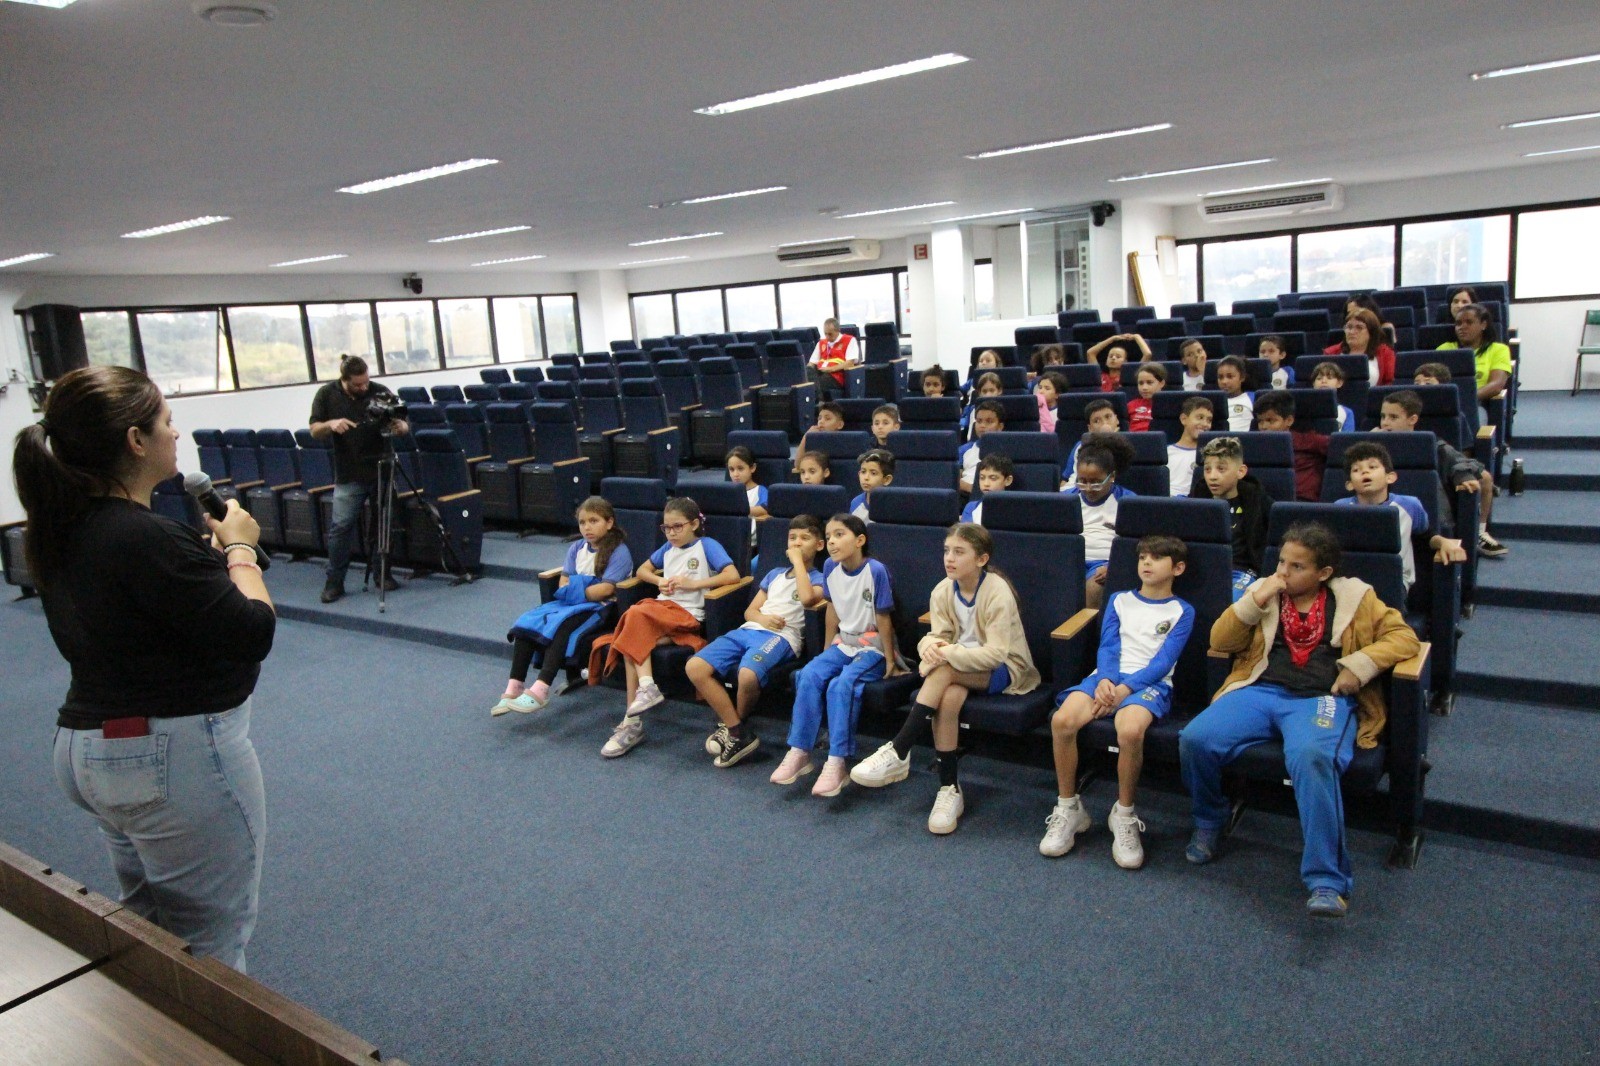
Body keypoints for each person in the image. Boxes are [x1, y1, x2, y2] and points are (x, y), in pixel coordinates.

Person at [18, 366, 276, 971]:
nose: (175, 432)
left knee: (149, 931)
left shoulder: (65, 527)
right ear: (136, 440)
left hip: (91, 750)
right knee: (211, 949)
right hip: (167, 757)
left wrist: (205, 564)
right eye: (166, 421)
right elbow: (253, 631)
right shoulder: (146, 537)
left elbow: (148, 610)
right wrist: (240, 550)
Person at [1180, 522, 1421, 918]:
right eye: (1281, 562)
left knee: (1313, 757)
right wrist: (1254, 600)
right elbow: (1220, 641)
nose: (1284, 572)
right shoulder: (1266, 592)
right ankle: (1210, 819)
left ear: (1323, 572)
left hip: (1321, 698)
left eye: (1297, 567)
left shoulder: (1356, 597)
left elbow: (1405, 638)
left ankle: (1327, 880)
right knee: (1196, 738)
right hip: (1261, 690)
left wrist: (1360, 665)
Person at [851, 523, 1039, 834]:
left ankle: (899, 748)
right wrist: (929, 646)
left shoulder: (997, 591)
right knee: (948, 699)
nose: (949, 558)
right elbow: (937, 636)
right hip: (960, 666)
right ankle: (949, 787)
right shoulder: (942, 590)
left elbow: (995, 655)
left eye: (959, 552)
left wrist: (945, 653)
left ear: (981, 559)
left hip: (1006, 668)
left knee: (945, 671)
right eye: (947, 550)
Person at [1042, 534, 1195, 867]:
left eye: (1157, 558)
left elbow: (1163, 662)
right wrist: (1107, 680)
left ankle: (1124, 813)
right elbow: (1108, 645)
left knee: (1129, 730)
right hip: (1107, 677)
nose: (1147, 563)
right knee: (1062, 721)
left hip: (1149, 683)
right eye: (1143, 557)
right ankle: (1069, 807)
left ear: (1178, 568)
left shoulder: (1182, 610)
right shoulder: (1119, 599)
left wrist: (1125, 689)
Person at [590, 497, 740, 758]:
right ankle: (633, 720)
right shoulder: (667, 549)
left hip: (687, 615)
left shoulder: (706, 545)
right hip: (660, 614)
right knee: (630, 642)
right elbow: (642, 570)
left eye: (677, 527)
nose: (671, 533)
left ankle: (642, 699)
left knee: (634, 615)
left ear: (694, 524)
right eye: (666, 528)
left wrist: (694, 584)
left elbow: (733, 575)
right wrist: (658, 581)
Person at [773, 514, 903, 797]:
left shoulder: (876, 571)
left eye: (839, 535)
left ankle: (837, 761)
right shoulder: (830, 567)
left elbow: (883, 617)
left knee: (841, 684)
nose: (832, 541)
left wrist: (890, 660)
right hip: (844, 642)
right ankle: (800, 752)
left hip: (873, 646)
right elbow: (832, 609)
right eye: (829, 536)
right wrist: (825, 653)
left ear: (859, 540)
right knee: (809, 674)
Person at [689, 515, 825, 769]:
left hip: (782, 637)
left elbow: (808, 599)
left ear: (819, 545)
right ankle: (737, 730)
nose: (797, 543)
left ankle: (734, 728)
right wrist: (762, 618)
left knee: (748, 674)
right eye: (792, 538)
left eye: (804, 538)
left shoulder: (819, 577)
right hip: (750, 630)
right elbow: (750, 612)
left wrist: (798, 562)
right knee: (695, 667)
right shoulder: (774, 574)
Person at [496, 497, 631, 715]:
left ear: (609, 522)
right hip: (571, 604)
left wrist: (575, 588)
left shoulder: (619, 551)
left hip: (602, 608)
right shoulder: (576, 547)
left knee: (561, 626)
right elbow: (563, 582)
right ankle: (515, 686)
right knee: (527, 622)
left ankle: (541, 689)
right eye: (582, 522)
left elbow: (606, 590)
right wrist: (583, 587)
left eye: (593, 521)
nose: (587, 527)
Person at [308, 354, 410, 603]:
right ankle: (334, 582)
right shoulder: (326, 394)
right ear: (344, 380)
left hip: (382, 469)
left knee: (383, 524)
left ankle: (382, 575)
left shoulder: (380, 391)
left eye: (366, 382)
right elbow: (314, 430)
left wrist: (402, 428)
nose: (364, 387)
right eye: (357, 384)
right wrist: (331, 424)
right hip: (349, 473)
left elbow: (403, 422)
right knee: (341, 528)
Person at [1378, 391, 1503, 561]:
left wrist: (1463, 476)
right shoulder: (1372, 443)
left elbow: (1460, 461)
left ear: (1412, 419)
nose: (1385, 422)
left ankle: (1479, 533)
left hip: (1427, 521)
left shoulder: (1431, 444)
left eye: (1393, 417)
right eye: (1383, 416)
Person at [1336, 441, 1465, 593]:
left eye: (1372, 467)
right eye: (1356, 470)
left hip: (1394, 581)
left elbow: (1425, 537)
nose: (1365, 472)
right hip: (1349, 582)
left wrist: (1443, 542)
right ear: (1349, 484)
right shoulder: (1340, 508)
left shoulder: (1410, 505)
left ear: (1390, 477)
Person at [1190, 437, 1271, 601]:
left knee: (1230, 603)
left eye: (1221, 469)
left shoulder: (1257, 501)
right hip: (1202, 570)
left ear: (1241, 471)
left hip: (1240, 570)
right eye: (1207, 469)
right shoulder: (1196, 501)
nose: (1212, 476)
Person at [1064, 435, 1136, 610]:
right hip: (1069, 560)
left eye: (1096, 483)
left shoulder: (1127, 501)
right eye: (1082, 482)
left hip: (1103, 563)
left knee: (1094, 588)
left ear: (1111, 477)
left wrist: (1114, 566)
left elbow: (1135, 544)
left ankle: (1088, 629)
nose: (1088, 489)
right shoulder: (1065, 499)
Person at [1252, 390, 1328, 502]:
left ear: (1289, 420)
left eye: (1270, 420)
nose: (1264, 426)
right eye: (1260, 421)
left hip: (1301, 502)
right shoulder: (1256, 445)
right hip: (1265, 501)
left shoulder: (1310, 441)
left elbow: (1340, 448)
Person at [1436, 303, 1513, 410]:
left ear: (1483, 325)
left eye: (1469, 322)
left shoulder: (1498, 349)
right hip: (1445, 405)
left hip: (1477, 404)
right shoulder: (1444, 348)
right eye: (1458, 323)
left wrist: (1465, 399)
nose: (1462, 327)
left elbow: (1497, 385)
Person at [1323, 308, 1395, 386]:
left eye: (1359, 327)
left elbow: (1390, 383)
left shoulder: (1385, 353)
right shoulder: (1330, 353)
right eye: (1349, 327)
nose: (1352, 332)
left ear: (1371, 332)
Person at [1061, 398, 1121, 485]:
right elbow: (1065, 479)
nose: (1104, 423)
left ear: (1117, 419)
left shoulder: (1131, 444)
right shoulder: (1081, 445)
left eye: (1108, 417)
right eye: (1097, 421)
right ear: (1090, 428)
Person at [1168, 395, 1213, 496]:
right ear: (1184, 419)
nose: (1205, 424)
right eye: (1200, 417)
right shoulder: (1166, 452)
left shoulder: (1209, 455)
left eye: (1209, 420)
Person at [725, 445, 768, 548]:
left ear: (752, 468)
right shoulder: (726, 491)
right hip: (729, 538)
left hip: (750, 542)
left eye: (740, 469)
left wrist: (738, 509)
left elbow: (765, 509)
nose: (735, 474)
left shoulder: (760, 490)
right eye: (731, 469)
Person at [959, 401, 1004, 494]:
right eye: (979, 421)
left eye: (989, 421)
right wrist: (970, 488)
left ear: (1000, 426)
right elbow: (954, 477)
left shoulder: (1007, 449)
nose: (982, 426)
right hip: (965, 493)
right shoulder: (965, 449)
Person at [809, 318, 860, 398]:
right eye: (825, 334)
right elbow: (811, 363)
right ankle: (817, 397)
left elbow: (850, 363)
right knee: (808, 374)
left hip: (836, 376)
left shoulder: (849, 340)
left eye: (830, 334)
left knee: (819, 382)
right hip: (821, 372)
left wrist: (830, 369)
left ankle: (819, 399)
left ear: (837, 331)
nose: (827, 337)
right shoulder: (821, 343)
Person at [961, 454, 1014, 525]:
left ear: (1008, 480)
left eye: (993, 478)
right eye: (982, 478)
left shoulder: (1014, 509)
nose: (986, 484)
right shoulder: (971, 507)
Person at [1086, 333, 1151, 391]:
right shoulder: (1099, 376)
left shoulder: (1130, 377)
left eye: (1118, 356)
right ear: (1106, 362)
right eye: (1110, 356)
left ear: (1125, 361)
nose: (1113, 358)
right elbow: (1090, 353)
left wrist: (1136, 336)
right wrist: (1112, 338)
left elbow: (1147, 354)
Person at [1311, 362, 1357, 431]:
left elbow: (1347, 436)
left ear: (1339, 383)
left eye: (1329, 378)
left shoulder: (1347, 412)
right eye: (1319, 378)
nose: (1323, 381)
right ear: (1313, 384)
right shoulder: (1306, 410)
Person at [851, 448, 895, 520]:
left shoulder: (893, 506)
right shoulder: (855, 502)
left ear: (887, 479)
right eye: (863, 472)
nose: (866, 478)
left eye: (873, 473)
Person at [1215, 355, 1255, 432]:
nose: (1224, 382)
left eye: (1230, 376)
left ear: (1242, 377)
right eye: (1220, 377)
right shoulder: (1213, 401)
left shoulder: (1253, 398)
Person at [961, 373, 1004, 438]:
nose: (988, 395)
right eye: (984, 391)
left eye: (992, 391)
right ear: (979, 393)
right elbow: (969, 435)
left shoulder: (1005, 407)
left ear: (999, 391)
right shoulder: (973, 409)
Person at [1128, 363, 1165, 433]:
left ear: (1161, 383)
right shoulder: (1131, 405)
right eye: (1141, 383)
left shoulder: (1168, 405)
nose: (1144, 388)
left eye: (1149, 382)